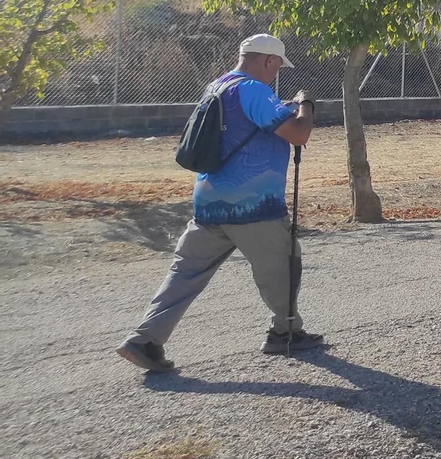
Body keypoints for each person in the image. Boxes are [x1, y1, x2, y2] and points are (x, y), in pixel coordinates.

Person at [116, 34, 320, 373]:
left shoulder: (218, 86)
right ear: (269, 61)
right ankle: (286, 333)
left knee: (185, 272)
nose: (277, 73)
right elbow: (299, 133)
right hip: (253, 204)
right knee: (283, 263)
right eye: (278, 66)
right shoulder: (253, 90)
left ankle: (145, 340)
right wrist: (306, 106)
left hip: (210, 202)